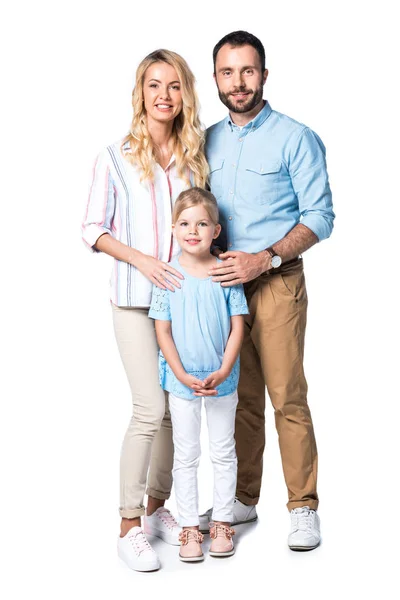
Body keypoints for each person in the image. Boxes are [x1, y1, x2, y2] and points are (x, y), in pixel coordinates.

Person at [199, 31, 335, 551]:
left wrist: (267, 257)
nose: (238, 82)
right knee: (241, 400)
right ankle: (243, 499)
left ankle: (303, 507)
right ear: (215, 78)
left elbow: (320, 217)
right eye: (228, 72)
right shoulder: (205, 139)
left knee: (287, 398)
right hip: (223, 289)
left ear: (264, 75)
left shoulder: (295, 137)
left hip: (276, 283)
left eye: (248, 71)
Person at [82, 49, 209, 572]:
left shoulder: (195, 158)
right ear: (140, 92)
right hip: (135, 300)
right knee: (147, 409)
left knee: (176, 414)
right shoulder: (113, 157)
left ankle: (159, 510)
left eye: (174, 85)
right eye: (154, 85)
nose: (164, 95)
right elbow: (92, 229)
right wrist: (144, 261)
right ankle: (129, 523)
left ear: (184, 94)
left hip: (182, 304)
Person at [149, 187, 249, 561]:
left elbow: (238, 326)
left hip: (223, 381)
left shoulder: (225, 271)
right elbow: (163, 331)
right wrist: (180, 373)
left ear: (216, 231)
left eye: (202, 223)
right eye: (186, 223)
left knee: (224, 452)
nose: (194, 230)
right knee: (186, 455)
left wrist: (224, 369)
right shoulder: (167, 276)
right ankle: (190, 525)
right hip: (182, 382)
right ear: (174, 228)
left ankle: (221, 520)